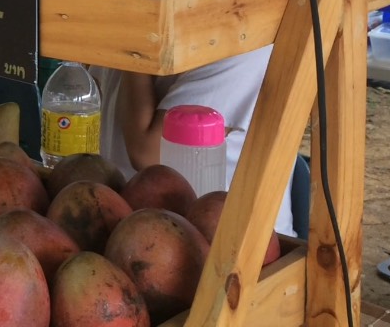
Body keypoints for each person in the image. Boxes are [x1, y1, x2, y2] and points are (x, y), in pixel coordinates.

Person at [90, 46, 296, 238]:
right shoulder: (138, 29)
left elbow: (150, 155)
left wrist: (134, 50)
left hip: (230, 243)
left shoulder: (244, 44)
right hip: (130, 226)